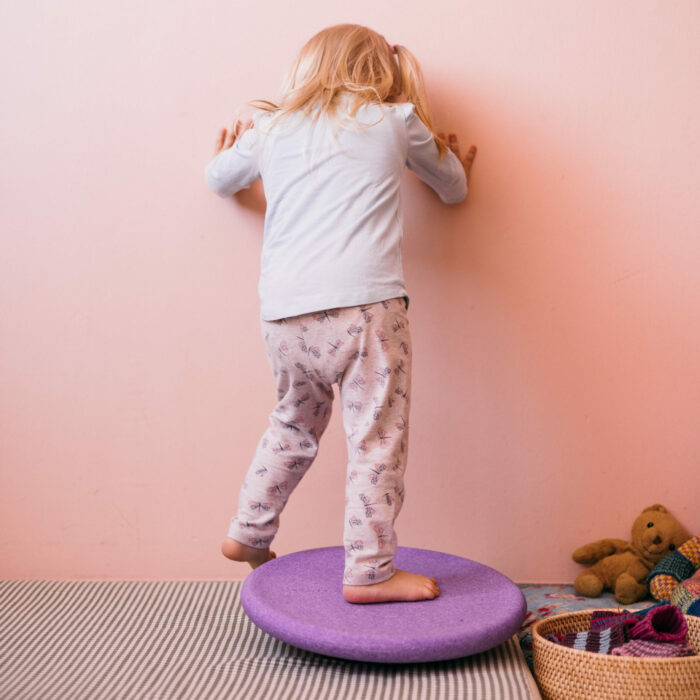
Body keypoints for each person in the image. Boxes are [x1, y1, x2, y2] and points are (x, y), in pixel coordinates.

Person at [205, 23, 477, 604]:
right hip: (366, 314)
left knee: (292, 424)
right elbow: (452, 188)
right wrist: (458, 166)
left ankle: (248, 532)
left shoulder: (272, 126)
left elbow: (219, 179)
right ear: (383, 71)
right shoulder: (397, 119)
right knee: (376, 441)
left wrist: (229, 158)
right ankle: (369, 573)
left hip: (284, 318)